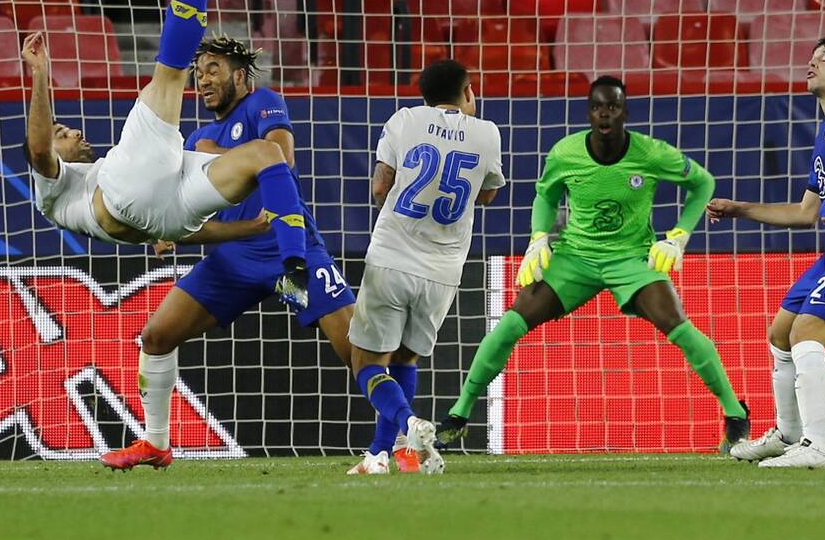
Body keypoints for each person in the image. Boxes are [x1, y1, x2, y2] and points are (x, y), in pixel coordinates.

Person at [21, 0, 309, 341]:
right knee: (172, 71)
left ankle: (294, 270)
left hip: (168, 216)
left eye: (67, 128)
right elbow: (40, 149)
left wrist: (247, 228)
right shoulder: (54, 188)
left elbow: (185, 229)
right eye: (64, 134)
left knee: (266, 155)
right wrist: (41, 75)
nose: (74, 132)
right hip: (124, 195)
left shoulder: (100, 173)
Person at [436, 75, 750, 453]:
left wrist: (680, 234)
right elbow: (546, 196)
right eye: (598, 106)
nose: (605, 114)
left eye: (613, 106)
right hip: (575, 258)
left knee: (677, 325)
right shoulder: (565, 153)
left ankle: (735, 413)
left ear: (624, 112)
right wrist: (538, 239)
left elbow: (703, 183)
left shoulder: (651, 153)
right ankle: (460, 413)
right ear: (589, 112)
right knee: (511, 323)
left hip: (632, 258)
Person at [100, 34, 359, 471]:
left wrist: (215, 154)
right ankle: (156, 443)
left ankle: (405, 433)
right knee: (156, 336)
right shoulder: (196, 136)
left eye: (213, 69)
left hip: (287, 256)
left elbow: (283, 158)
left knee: (355, 349)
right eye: (198, 73)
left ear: (240, 75)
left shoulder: (262, 104)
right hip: (232, 261)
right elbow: (183, 207)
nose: (202, 80)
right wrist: (164, 230)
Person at [708, 35, 825, 469]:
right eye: (812, 57)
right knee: (781, 331)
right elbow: (804, 212)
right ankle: (789, 434)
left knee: (807, 333)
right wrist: (739, 209)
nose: (812, 63)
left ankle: (819, 447)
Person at [347, 59, 505, 476]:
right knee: (406, 360)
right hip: (443, 270)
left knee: (367, 364)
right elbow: (487, 196)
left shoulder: (404, 120)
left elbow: (381, 186)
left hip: (392, 257)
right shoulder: (488, 134)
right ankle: (380, 455)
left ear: (424, 96)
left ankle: (407, 425)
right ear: (468, 91)